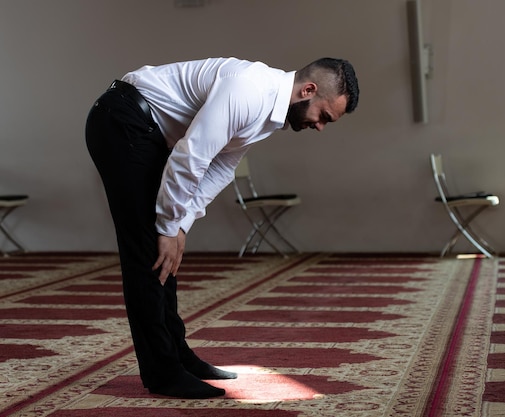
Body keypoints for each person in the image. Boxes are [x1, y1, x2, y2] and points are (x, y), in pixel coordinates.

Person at [85, 57, 359, 399]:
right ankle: (164, 373)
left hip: (145, 131)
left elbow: (219, 169)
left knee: (162, 249)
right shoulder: (249, 89)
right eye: (323, 116)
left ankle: (178, 356)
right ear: (308, 90)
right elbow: (192, 157)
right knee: (147, 251)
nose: (320, 127)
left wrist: (180, 224)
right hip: (121, 120)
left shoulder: (269, 112)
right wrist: (169, 227)